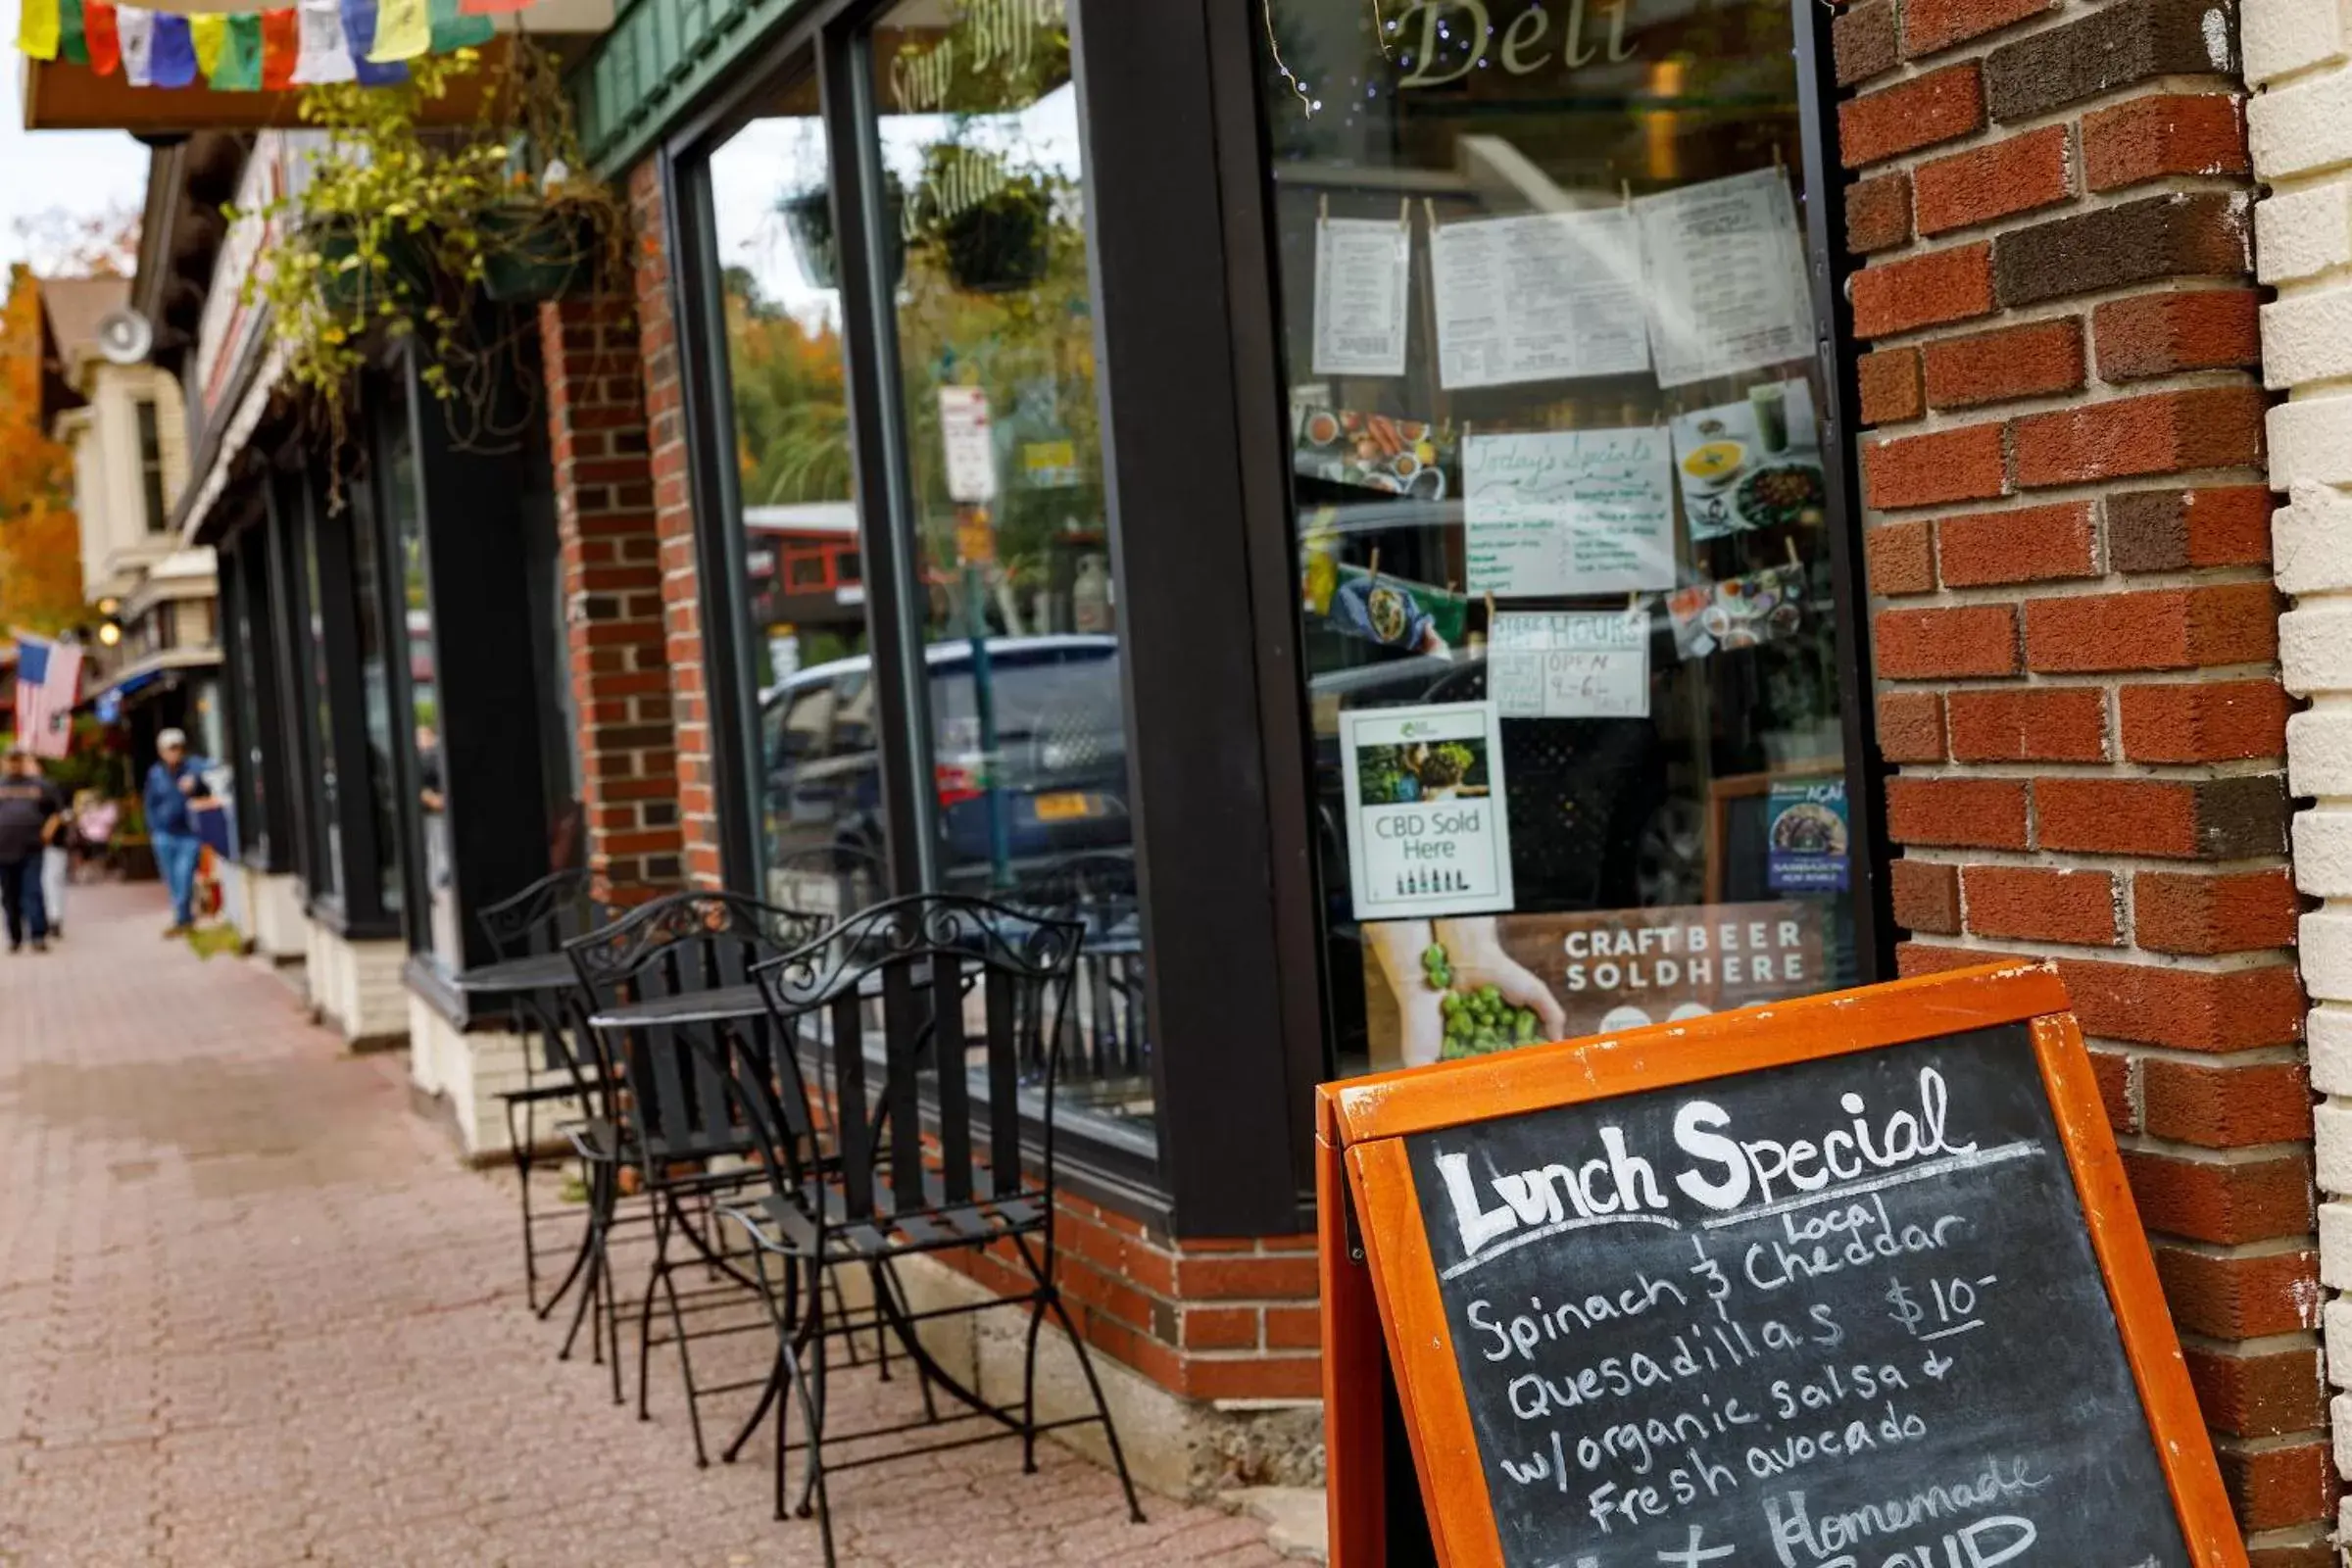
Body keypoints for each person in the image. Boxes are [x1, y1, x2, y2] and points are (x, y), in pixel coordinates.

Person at [144, 728, 215, 937]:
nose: (174, 753)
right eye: (170, 749)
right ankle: (183, 918)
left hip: (188, 834)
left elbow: (213, 767)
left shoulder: (192, 766)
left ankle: (183, 917)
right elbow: (150, 804)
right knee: (172, 879)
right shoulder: (155, 774)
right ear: (161, 751)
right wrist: (154, 829)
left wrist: (196, 779)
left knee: (184, 876)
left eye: (177, 748)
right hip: (164, 834)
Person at [0, 748, 64, 954]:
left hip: (31, 848)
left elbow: (56, 813)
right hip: (3, 850)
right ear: (4, 762)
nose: (15, 764)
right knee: (10, 896)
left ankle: (38, 935)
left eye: (18, 760)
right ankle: (15, 937)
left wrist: (47, 833)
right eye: (11, 760)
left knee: (33, 891)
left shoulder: (40, 786)